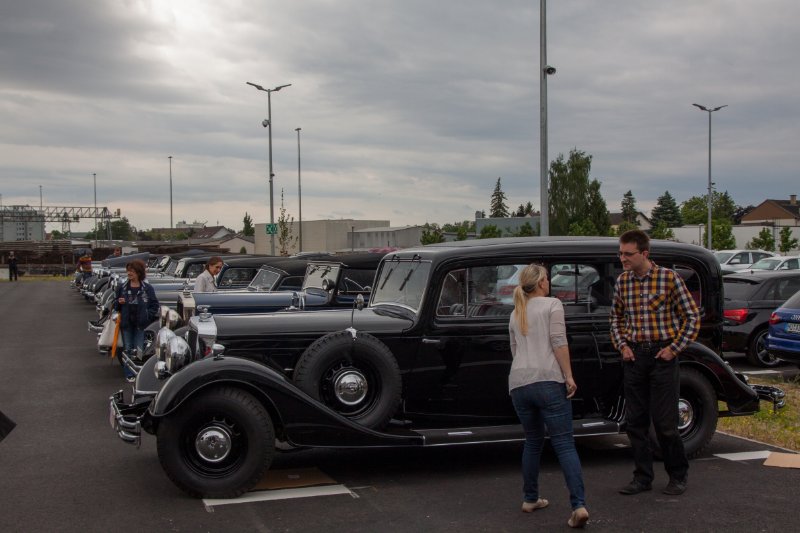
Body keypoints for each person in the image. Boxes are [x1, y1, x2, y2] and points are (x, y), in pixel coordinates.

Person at [611, 229, 700, 497]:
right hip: (635, 356)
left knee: (665, 423)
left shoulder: (669, 279)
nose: (623, 258)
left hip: (662, 355)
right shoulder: (623, 282)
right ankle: (642, 477)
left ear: (644, 254)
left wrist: (674, 349)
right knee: (635, 421)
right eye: (621, 253)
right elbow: (615, 318)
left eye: (628, 254)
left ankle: (677, 475)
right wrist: (622, 345)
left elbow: (692, 317)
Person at [508, 264, 589, 529]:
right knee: (564, 444)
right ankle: (578, 505)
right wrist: (569, 375)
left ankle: (530, 498)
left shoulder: (515, 312)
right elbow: (558, 341)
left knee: (532, 442)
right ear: (543, 282)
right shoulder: (553, 304)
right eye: (547, 277)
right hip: (548, 380)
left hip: (519, 383)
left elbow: (514, 350)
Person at [114, 259, 159, 382]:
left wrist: (147, 315)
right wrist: (118, 302)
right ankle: (129, 373)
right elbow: (115, 305)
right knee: (128, 348)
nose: (129, 273)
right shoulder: (122, 287)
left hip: (141, 323)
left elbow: (155, 305)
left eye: (132, 271)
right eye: (128, 271)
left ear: (139, 273)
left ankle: (138, 373)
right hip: (127, 323)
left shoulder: (147, 288)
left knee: (139, 349)